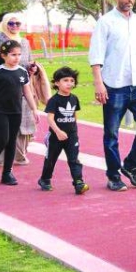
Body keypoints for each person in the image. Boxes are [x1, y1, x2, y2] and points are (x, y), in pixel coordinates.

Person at [89, 0, 136, 191]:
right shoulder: (105, 22)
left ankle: (131, 165)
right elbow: (96, 55)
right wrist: (99, 83)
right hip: (114, 85)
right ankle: (113, 175)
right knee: (111, 134)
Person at [0, 13, 40, 166]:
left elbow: (28, 61)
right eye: (11, 23)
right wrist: (2, 71)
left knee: (22, 125)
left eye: (18, 23)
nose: (14, 27)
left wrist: (32, 68)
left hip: (20, 88)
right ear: (4, 24)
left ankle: (18, 156)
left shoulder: (24, 42)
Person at [0, 40, 40, 186]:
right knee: (2, 139)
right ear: (3, 55)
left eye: (19, 55)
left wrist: (34, 109)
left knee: (12, 141)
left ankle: (7, 172)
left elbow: (27, 92)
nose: (17, 58)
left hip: (16, 111)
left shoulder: (22, 72)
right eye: (13, 55)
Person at [38, 66, 89, 195]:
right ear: (57, 83)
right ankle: (45, 179)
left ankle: (78, 182)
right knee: (51, 159)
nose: (69, 83)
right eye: (65, 80)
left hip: (71, 136)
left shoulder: (74, 98)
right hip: (56, 136)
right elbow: (50, 118)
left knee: (74, 159)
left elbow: (73, 115)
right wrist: (58, 132)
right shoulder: (54, 100)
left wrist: (74, 131)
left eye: (72, 80)